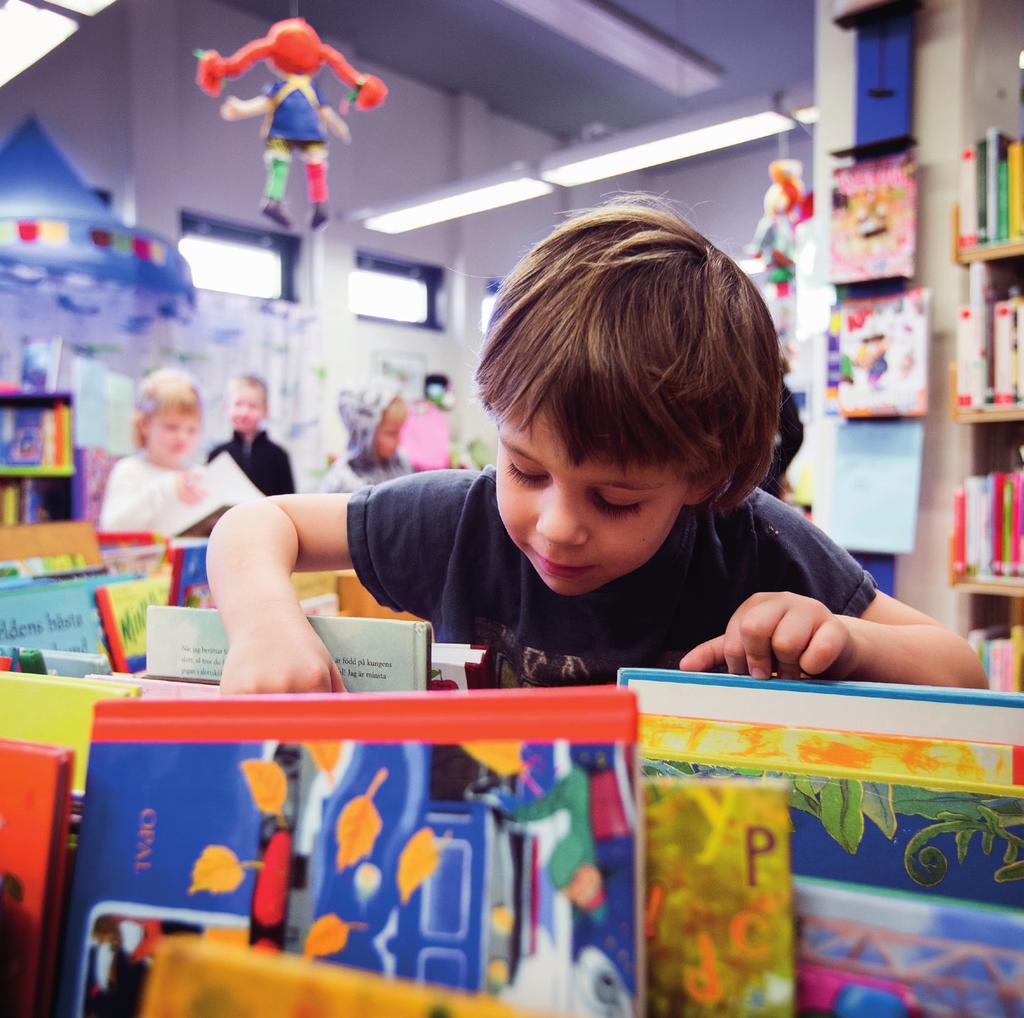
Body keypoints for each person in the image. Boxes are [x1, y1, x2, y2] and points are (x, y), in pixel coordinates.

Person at [207, 196, 986, 694]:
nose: (556, 524)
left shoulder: (752, 542)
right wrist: (265, 621)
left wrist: (842, 641)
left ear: (703, 475)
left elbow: (960, 671)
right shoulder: (461, 522)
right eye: (525, 468)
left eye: (615, 498)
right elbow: (254, 523)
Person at [99, 368, 206, 532]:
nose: (182, 437)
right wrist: (168, 488)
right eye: (171, 427)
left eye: (192, 430)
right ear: (144, 425)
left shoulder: (196, 475)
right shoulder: (129, 470)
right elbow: (113, 527)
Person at [208, 374, 295, 496]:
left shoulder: (279, 455)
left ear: (265, 410)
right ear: (227, 408)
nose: (245, 412)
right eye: (238, 404)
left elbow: (287, 499)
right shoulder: (217, 454)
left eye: (252, 406)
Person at [320, 380, 412, 493]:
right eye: (391, 433)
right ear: (365, 434)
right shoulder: (343, 480)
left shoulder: (399, 463)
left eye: (399, 431)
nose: (399, 440)